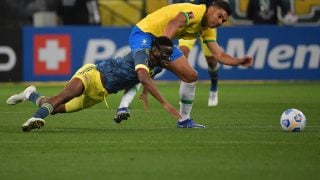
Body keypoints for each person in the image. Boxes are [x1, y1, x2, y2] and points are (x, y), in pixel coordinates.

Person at [113, 1, 254, 128]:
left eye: (223, 20)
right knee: (142, 70)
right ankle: (122, 105)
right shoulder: (197, 12)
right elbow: (174, 23)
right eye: (219, 16)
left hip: (163, 41)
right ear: (211, 9)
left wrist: (239, 61)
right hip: (144, 32)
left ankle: (184, 120)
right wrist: (163, 49)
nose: (220, 21)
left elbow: (219, 55)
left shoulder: (208, 28)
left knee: (191, 76)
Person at [6, 36, 181, 132]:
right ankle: (35, 118)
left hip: (100, 94)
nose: (167, 57)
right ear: (154, 50)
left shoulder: (156, 68)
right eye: (165, 53)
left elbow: (135, 82)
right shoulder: (141, 54)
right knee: (65, 96)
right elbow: (142, 77)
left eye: (169, 54)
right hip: (93, 75)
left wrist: (125, 105)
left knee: (55, 106)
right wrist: (165, 103)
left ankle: (30, 94)